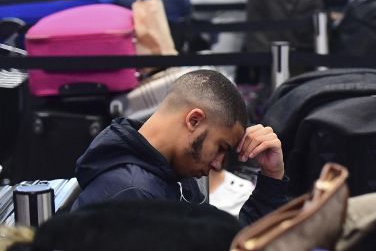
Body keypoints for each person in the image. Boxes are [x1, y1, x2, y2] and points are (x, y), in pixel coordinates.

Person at [71, 70, 288, 226]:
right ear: (194, 120)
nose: (217, 164)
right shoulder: (134, 195)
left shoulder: (170, 175)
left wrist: (271, 177)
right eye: (220, 147)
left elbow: (222, 249)